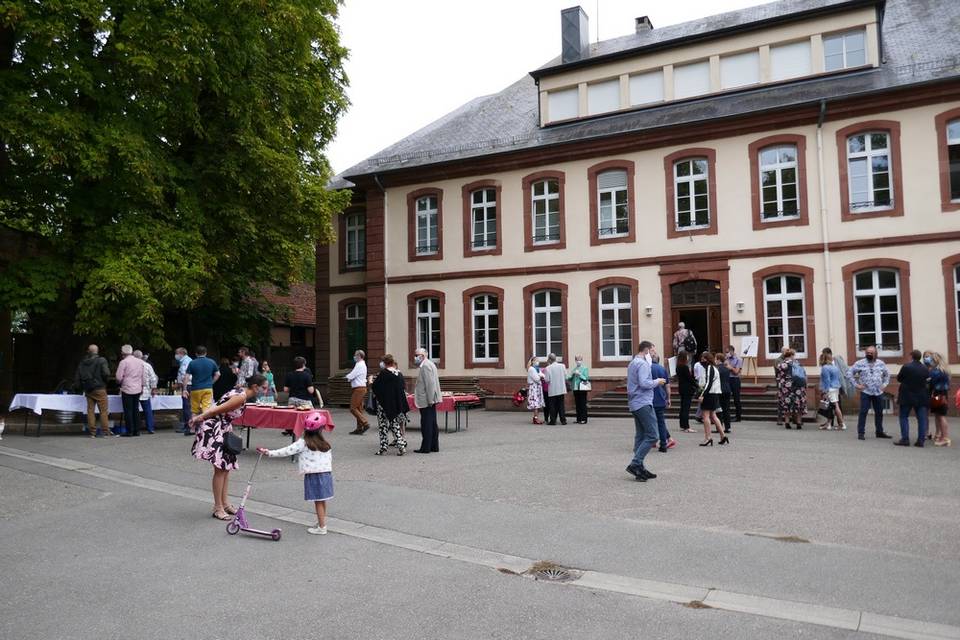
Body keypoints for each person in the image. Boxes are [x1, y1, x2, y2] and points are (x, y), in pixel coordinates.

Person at [190, 374, 266, 521]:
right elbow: (215, 410)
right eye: (264, 388)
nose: (265, 391)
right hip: (215, 429)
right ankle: (217, 507)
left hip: (221, 428)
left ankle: (224, 504)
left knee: (225, 468)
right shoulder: (240, 397)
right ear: (255, 387)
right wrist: (198, 418)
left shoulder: (240, 392)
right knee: (220, 469)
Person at [257, 412, 333, 535]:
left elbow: (287, 451)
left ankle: (322, 527)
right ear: (321, 429)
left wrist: (269, 453)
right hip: (326, 475)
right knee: (322, 500)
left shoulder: (303, 442)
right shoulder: (325, 444)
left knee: (318, 501)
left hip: (314, 475)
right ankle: (322, 522)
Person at [625, 341, 667, 482]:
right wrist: (658, 381)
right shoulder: (642, 364)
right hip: (642, 402)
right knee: (653, 435)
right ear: (647, 350)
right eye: (653, 351)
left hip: (635, 402)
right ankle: (636, 463)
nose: (654, 354)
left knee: (641, 435)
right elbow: (644, 383)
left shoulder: (633, 362)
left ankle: (640, 468)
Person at [846, 345, 892, 441]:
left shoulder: (881, 363)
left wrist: (884, 385)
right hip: (866, 392)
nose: (869, 354)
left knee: (879, 412)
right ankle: (861, 432)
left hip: (878, 392)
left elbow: (887, 375)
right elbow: (849, 373)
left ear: (876, 354)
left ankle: (879, 431)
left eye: (871, 353)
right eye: (867, 353)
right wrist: (857, 385)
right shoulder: (860, 363)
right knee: (863, 412)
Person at [369, 354, 409, 456]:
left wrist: (370, 381)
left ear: (385, 363)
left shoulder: (384, 374)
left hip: (383, 404)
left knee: (383, 426)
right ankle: (401, 445)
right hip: (395, 404)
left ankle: (383, 447)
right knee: (394, 424)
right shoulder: (399, 374)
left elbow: (375, 387)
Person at [74, 345, 111, 438]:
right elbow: (106, 373)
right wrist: (105, 382)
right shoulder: (102, 360)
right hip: (100, 388)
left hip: (88, 389)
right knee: (103, 411)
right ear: (97, 351)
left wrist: (79, 387)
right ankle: (105, 432)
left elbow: (78, 376)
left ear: (88, 351)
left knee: (90, 411)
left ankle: (92, 432)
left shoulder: (83, 362)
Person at [895, 350, 929, 447]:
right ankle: (921, 440)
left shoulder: (906, 367)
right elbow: (927, 379)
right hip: (921, 396)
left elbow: (899, 378)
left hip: (907, 395)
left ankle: (905, 439)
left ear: (911, 356)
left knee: (904, 417)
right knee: (922, 419)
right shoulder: (925, 368)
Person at [413, 347, 442, 453]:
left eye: (417, 355)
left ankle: (426, 447)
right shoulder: (429, 364)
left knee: (427, 424)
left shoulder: (425, 366)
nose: (415, 357)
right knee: (432, 423)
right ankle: (434, 446)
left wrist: (430, 400)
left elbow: (430, 384)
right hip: (429, 399)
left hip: (426, 400)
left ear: (422, 356)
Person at [697, 352, 728, 446]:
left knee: (705, 416)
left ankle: (708, 437)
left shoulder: (710, 368)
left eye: (703, 359)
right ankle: (723, 436)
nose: (702, 361)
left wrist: (702, 394)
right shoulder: (714, 368)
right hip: (714, 394)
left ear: (708, 359)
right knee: (713, 416)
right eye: (701, 359)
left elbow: (708, 383)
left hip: (709, 394)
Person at [115, 344, 144, 437]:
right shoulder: (140, 362)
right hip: (138, 388)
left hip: (127, 388)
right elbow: (143, 376)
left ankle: (130, 431)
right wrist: (142, 386)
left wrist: (120, 381)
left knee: (128, 410)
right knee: (136, 409)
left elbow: (118, 377)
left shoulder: (123, 362)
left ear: (123, 353)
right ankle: (137, 430)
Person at [186, 346, 220, 422]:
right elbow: (218, 374)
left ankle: (193, 427)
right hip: (208, 388)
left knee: (194, 410)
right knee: (206, 409)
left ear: (196, 354)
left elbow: (186, 377)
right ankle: (205, 426)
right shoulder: (211, 362)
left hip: (195, 389)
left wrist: (184, 388)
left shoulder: (192, 363)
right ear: (206, 353)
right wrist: (211, 382)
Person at [925, 351, 951, 446]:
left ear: (935, 360)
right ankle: (942, 436)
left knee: (941, 416)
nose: (929, 361)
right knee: (939, 415)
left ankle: (945, 438)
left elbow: (929, 384)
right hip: (943, 394)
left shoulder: (935, 372)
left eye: (931, 359)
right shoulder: (945, 370)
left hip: (938, 395)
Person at [776, 348, 807, 430]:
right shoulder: (798, 363)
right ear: (792, 355)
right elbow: (804, 374)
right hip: (798, 386)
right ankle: (799, 422)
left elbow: (778, 376)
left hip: (786, 388)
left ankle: (787, 422)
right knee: (798, 404)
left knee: (787, 404)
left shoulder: (781, 365)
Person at [651, 352, 676, 452]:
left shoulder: (647, 368)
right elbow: (667, 386)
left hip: (649, 399)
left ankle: (652, 441)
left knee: (650, 421)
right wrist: (669, 398)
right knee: (661, 422)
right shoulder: (662, 369)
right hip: (661, 398)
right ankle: (663, 445)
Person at [817, 351, 845, 430]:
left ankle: (842, 424)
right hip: (836, 388)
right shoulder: (834, 367)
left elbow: (827, 381)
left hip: (830, 388)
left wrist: (825, 391)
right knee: (831, 407)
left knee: (836, 406)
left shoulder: (825, 368)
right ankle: (829, 424)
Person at [346, 349, 370, 434]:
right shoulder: (360, 364)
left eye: (356, 355)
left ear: (360, 356)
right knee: (358, 409)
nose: (354, 356)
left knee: (353, 408)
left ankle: (365, 423)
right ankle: (359, 428)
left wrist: (347, 377)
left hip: (358, 389)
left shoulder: (359, 365)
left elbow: (352, 375)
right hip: (361, 388)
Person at [134, 350, 158, 434]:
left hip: (134, 391)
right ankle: (150, 428)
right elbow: (153, 378)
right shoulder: (147, 365)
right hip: (145, 391)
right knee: (148, 410)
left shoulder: (132, 365)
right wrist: (154, 388)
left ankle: (135, 428)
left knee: (134, 410)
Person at [543, 353, 568, 425]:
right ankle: (563, 420)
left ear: (550, 359)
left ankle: (553, 420)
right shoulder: (562, 366)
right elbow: (566, 377)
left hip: (553, 389)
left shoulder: (548, 368)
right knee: (561, 405)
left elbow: (547, 380)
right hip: (561, 388)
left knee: (552, 406)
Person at [174, 347, 193, 435]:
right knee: (188, 406)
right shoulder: (186, 361)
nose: (176, 355)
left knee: (187, 407)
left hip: (187, 385)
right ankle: (188, 425)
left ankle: (188, 426)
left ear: (182, 353)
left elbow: (185, 376)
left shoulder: (186, 362)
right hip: (188, 385)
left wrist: (181, 386)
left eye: (177, 353)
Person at [675, 351, 695, 433]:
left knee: (683, 407)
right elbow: (689, 379)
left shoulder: (678, 366)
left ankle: (682, 424)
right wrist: (697, 385)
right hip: (687, 389)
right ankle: (686, 426)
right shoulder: (684, 367)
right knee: (686, 407)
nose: (688, 357)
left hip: (682, 388)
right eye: (686, 356)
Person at [568, 355, 590, 424]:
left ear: (582, 360)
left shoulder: (584, 368)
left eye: (580, 360)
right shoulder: (574, 369)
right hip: (575, 388)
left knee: (582, 404)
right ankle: (578, 419)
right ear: (575, 361)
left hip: (582, 388)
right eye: (577, 360)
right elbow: (569, 378)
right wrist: (572, 374)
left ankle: (584, 419)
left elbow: (586, 378)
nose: (578, 361)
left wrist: (579, 374)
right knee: (577, 404)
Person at [724, 345, 743, 422]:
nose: (726, 354)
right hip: (727, 379)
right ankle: (727, 416)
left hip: (735, 380)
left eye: (727, 352)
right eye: (726, 352)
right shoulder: (726, 359)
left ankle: (738, 417)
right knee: (726, 399)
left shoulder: (738, 359)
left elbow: (736, 372)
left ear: (732, 351)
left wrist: (730, 367)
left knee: (736, 399)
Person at [715, 353, 732, 434]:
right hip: (727, 389)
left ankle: (719, 427)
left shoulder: (718, 369)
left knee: (719, 409)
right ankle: (727, 427)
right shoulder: (726, 369)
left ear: (718, 360)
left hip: (720, 390)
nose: (715, 361)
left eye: (715, 359)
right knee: (726, 409)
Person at [526, 356, 546, 425]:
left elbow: (543, 375)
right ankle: (535, 419)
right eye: (536, 360)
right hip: (534, 388)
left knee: (538, 404)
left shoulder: (537, 369)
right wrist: (540, 376)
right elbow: (537, 379)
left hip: (537, 388)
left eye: (538, 360)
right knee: (536, 404)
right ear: (532, 362)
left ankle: (536, 418)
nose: (538, 362)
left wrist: (541, 375)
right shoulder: (531, 369)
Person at [773, 346, 789, 426]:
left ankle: (792, 418)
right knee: (781, 400)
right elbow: (780, 371)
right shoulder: (778, 360)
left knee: (790, 400)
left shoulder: (789, 360)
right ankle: (779, 418)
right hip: (781, 383)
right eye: (787, 351)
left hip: (789, 383)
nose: (788, 352)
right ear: (783, 352)